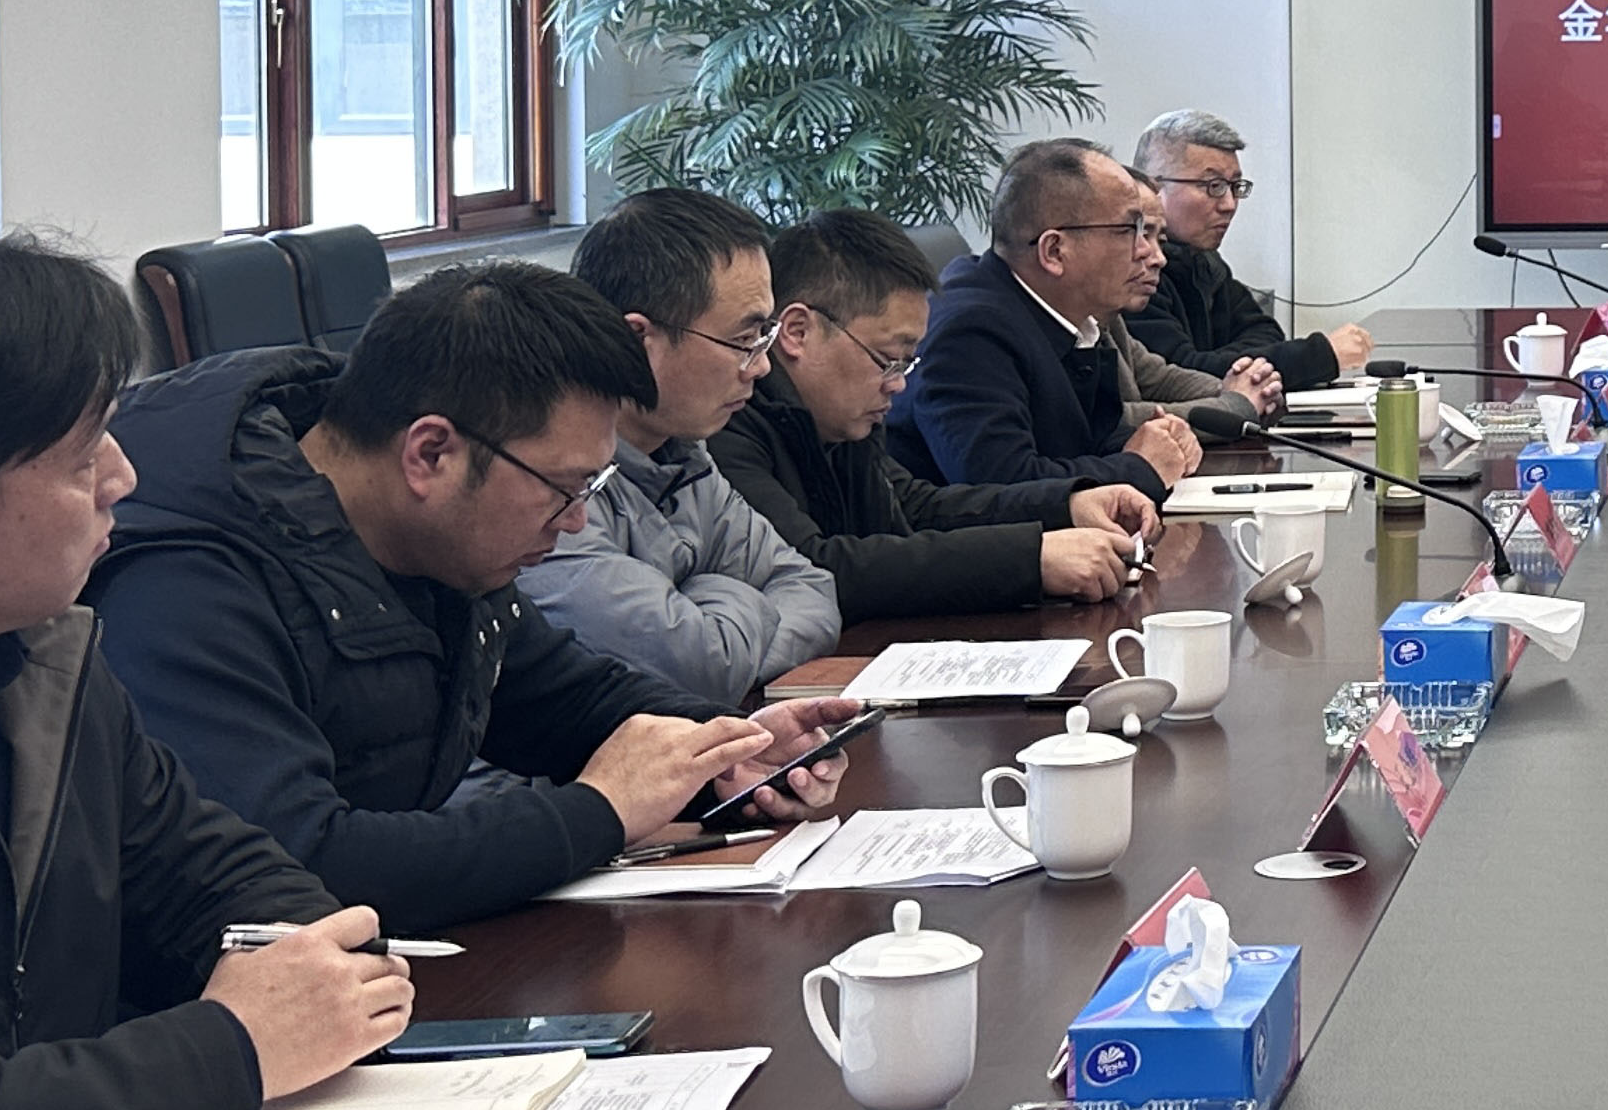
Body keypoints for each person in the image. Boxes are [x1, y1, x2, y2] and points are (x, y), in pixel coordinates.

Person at [93, 263, 859, 934]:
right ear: (430, 453)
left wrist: (728, 749)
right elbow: (300, 864)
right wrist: (598, 812)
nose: (578, 521)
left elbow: (558, 696)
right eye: (565, 488)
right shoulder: (187, 586)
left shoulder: (436, 546)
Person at [0, 235, 416, 1110]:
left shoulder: (46, 664)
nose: (123, 476)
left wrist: (302, 978)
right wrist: (229, 1049)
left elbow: (223, 875)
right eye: (81, 455)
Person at [717, 209, 1161, 619]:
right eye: (887, 359)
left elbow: (915, 507)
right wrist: (1031, 559)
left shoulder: (839, 416)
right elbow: (814, 567)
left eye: (904, 364)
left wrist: (1068, 504)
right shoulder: (727, 420)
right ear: (798, 332)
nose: (898, 385)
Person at [518, 189, 842, 704]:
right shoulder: (546, 486)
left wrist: (710, 625)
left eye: (764, 336)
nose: (761, 366)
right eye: (744, 341)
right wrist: (730, 595)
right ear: (637, 340)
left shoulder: (685, 456)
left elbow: (812, 591)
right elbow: (698, 669)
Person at [894, 141, 1270, 496]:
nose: (1151, 254)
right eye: (1130, 231)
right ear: (1055, 251)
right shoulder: (971, 333)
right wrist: (1138, 465)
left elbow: (1087, 438)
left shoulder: (1065, 318)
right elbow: (1003, 485)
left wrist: (1159, 439)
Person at [1125, 109, 1372, 395]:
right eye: (1213, 186)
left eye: (1234, 186)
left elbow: (1266, 332)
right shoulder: (1132, 272)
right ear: (1153, 187)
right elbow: (1180, 377)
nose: (1229, 204)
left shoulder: (1205, 263)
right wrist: (1319, 355)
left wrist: (1219, 361)